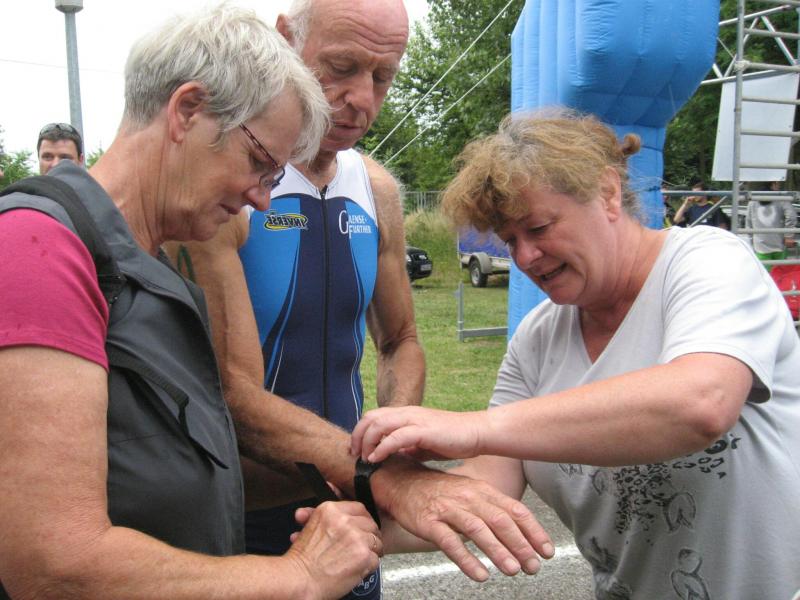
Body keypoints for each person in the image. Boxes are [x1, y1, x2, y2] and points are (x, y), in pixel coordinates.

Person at [0, 6, 386, 599]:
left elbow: (187, 478)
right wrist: (300, 575)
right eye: (259, 163)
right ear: (187, 110)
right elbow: (53, 562)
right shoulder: (37, 247)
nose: (262, 199)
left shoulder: (149, 265)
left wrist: (371, 482)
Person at [166, 0, 552, 592]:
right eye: (341, 68)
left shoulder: (376, 190)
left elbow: (401, 341)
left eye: (383, 76)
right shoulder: (229, 190)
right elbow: (230, 392)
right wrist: (374, 474)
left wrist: (392, 446)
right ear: (286, 40)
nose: (362, 99)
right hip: (242, 512)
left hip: (354, 500)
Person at [352, 110, 800, 599]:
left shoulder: (707, 261)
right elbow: (491, 482)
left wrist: (474, 427)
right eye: (510, 240)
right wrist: (360, 527)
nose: (524, 257)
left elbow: (701, 402)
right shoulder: (537, 338)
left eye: (539, 227)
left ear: (608, 192)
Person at [745, 180, 797, 270]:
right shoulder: (781, 199)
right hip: (779, 244)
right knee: (779, 274)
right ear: (773, 184)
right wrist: (788, 235)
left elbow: (748, 223)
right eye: (777, 183)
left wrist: (751, 241)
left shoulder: (752, 201)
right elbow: (791, 216)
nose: (779, 186)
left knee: (764, 275)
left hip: (760, 246)